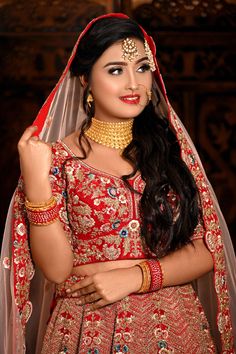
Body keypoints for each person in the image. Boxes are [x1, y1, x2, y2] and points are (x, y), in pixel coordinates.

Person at [0, 13, 235, 354]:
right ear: (85, 79)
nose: (134, 83)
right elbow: (55, 268)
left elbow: (206, 250)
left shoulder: (169, 152)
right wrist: (37, 181)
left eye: (142, 68)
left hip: (175, 328)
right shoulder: (57, 160)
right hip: (86, 330)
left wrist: (136, 277)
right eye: (115, 70)